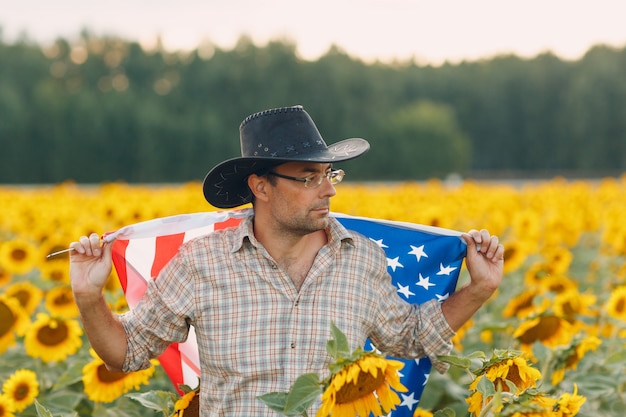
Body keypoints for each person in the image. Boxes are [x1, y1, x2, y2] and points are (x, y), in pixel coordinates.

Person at [70, 105, 504, 416]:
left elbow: (410, 339)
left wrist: (480, 287)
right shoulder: (201, 264)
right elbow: (125, 354)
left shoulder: (362, 260)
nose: (329, 190)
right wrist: (88, 296)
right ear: (260, 186)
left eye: (329, 175)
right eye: (309, 177)